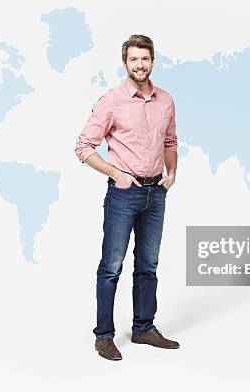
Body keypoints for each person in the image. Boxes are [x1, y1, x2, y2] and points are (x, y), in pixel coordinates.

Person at [75, 34, 180, 361]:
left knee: (148, 265)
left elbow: (171, 141)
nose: (139, 65)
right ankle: (104, 336)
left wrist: (172, 173)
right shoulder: (112, 101)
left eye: (145, 59)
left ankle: (143, 328)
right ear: (125, 63)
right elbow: (83, 147)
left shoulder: (165, 100)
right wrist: (115, 174)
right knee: (111, 266)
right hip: (123, 195)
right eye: (133, 59)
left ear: (152, 61)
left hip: (156, 195)